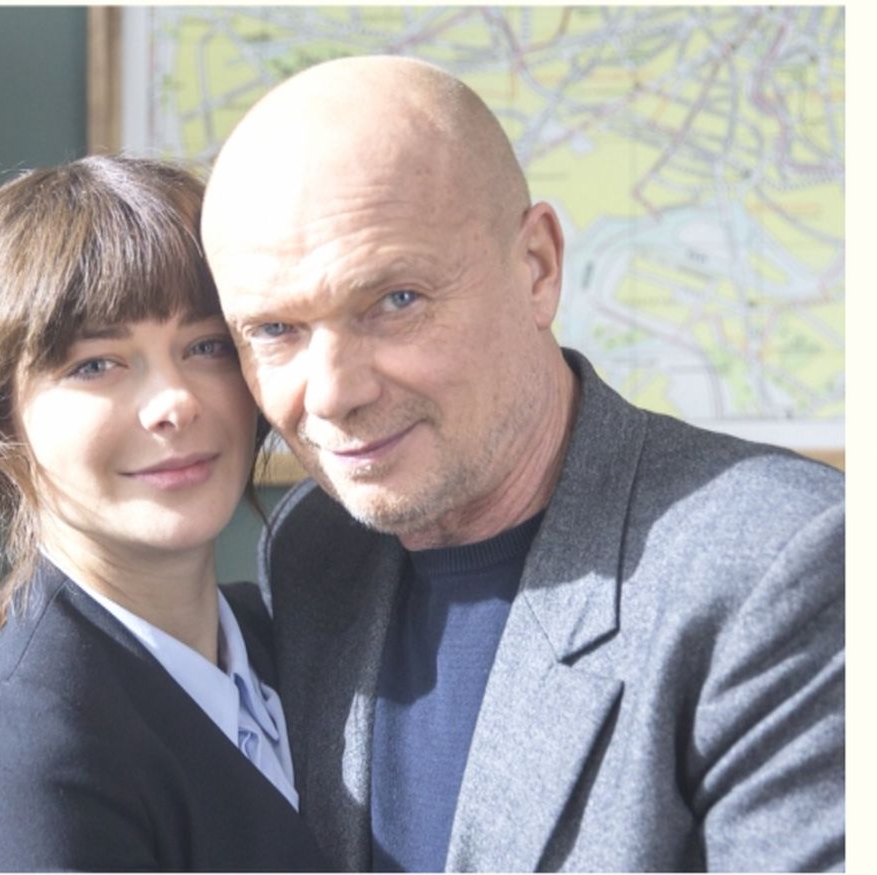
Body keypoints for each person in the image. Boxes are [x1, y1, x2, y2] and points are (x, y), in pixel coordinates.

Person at [200, 56, 844, 872]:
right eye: (273, 331)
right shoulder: (314, 548)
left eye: (395, 300)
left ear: (536, 266)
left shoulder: (782, 563)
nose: (331, 394)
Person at [0, 155, 327, 871]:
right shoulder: (23, 736)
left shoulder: (296, 639)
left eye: (207, 346)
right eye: (97, 363)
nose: (176, 402)